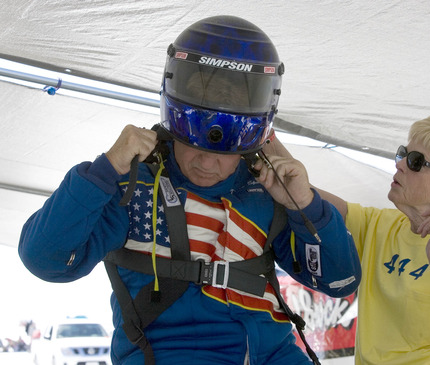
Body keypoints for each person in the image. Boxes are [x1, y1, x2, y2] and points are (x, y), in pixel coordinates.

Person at [18, 15, 361, 365]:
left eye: (224, 153)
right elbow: (46, 261)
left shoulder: (267, 188)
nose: (207, 164)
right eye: (193, 146)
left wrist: (305, 204)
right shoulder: (132, 188)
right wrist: (105, 169)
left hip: (275, 355)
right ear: (175, 122)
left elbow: (340, 281)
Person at [270, 114, 430, 364]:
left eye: (416, 161)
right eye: (404, 153)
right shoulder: (381, 225)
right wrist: (264, 133)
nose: (400, 164)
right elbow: (302, 191)